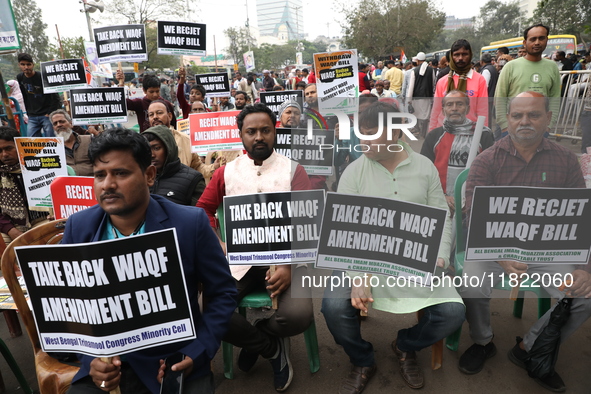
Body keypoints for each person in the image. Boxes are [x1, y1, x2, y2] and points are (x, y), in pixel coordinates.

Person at [64, 127, 236, 394]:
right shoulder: (79, 227)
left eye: (120, 173)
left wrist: (198, 350)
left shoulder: (190, 224)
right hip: (108, 365)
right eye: (100, 175)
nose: (108, 184)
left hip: (175, 361)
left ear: (149, 175)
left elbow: (223, 292)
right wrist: (91, 360)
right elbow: (72, 306)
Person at [322, 101, 464, 392]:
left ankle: (404, 344)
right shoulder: (353, 172)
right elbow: (346, 232)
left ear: (397, 133)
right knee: (333, 307)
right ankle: (363, 359)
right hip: (363, 260)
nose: (364, 141)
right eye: (362, 133)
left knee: (452, 312)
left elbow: (442, 216)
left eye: (372, 134)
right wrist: (358, 276)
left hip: (415, 259)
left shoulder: (424, 168)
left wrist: (439, 254)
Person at [458, 92, 591, 393]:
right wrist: (501, 255)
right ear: (507, 120)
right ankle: (482, 342)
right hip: (495, 250)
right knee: (470, 283)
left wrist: (584, 268)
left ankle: (530, 347)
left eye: (533, 114)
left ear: (548, 118)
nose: (525, 121)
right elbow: (472, 220)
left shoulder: (567, 161)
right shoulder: (486, 160)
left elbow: (580, 221)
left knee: (584, 295)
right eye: (517, 115)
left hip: (549, 251)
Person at [197, 103, 313, 392]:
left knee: (298, 316)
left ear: (275, 132)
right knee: (207, 310)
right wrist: (218, 242)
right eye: (251, 131)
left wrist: (286, 264)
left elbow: (307, 219)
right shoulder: (226, 172)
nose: (258, 137)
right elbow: (203, 211)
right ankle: (271, 349)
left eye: (265, 130)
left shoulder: (294, 170)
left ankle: (260, 333)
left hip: (287, 260)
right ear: (241, 135)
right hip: (240, 262)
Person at [420, 90, 494, 215]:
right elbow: (424, 171)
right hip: (440, 202)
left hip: (474, 204)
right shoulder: (434, 136)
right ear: (443, 110)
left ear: (467, 108)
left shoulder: (483, 135)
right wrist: (443, 197)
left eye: (459, 104)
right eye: (449, 105)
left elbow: (491, 172)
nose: (454, 108)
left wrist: (471, 199)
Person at [494, 24, 561, 136]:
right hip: (512, 129)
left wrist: (548, 127)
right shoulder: (510, 67)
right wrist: (505, 127)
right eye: (533, 39)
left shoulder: (552, 67)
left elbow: (554, 99)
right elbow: (500, 98)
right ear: (525, 43)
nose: (537, 42)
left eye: (541, 38)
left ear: (546, 40)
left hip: (540, 130)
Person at [0, 126, 49, 244]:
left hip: (43, 219)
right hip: (11, 225)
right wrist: (10, 230)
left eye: (8, 148)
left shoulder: (42, 163)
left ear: (19, 146)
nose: (4, 154)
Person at [430, 39, 489, 131]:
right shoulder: (442, 81)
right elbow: (436, 110)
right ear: (451, 57)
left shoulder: (479, 80)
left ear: (470, 56)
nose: (460, 58)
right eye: (456, 54)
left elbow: (483, 112)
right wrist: (431, 133)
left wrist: (482, 135)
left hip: (469, 133)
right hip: (444, 131)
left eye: (464, 54)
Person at [142, 125, 205, 205]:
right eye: (147, 149)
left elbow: (200, 214)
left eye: (157, 148)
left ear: (169, 149)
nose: (152, 155)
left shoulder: (194, 180)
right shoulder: (140, 178)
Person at [16, 53, 61, 137]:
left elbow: (55, 96)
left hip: (46, 114)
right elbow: (24, 95)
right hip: (32, 115)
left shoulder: (43, 77)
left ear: (33, 64)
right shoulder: (20, 77)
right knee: (33, 142)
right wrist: (29, 112)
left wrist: (49, 113)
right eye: (23, 64)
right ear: (19, 65)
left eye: (28, 64)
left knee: (51, 141)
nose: (26, 67)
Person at [49, 109, 93, 176]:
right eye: (55, 123)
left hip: (91, 182)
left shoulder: (88, 140)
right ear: (53, 128)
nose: (59, 125)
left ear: (71, 124)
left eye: (62, 121)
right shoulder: (51, 148)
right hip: (66, 184)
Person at [406, 52, 435, 138]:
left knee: (416, 115)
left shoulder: (414, 71)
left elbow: (411, 86)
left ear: (418, 60)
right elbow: (433, 83)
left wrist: (409, 100)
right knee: (425, 116)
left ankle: (417, 130)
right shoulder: (431, 70)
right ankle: (423, 133)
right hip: (427, 97)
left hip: (416, 97)